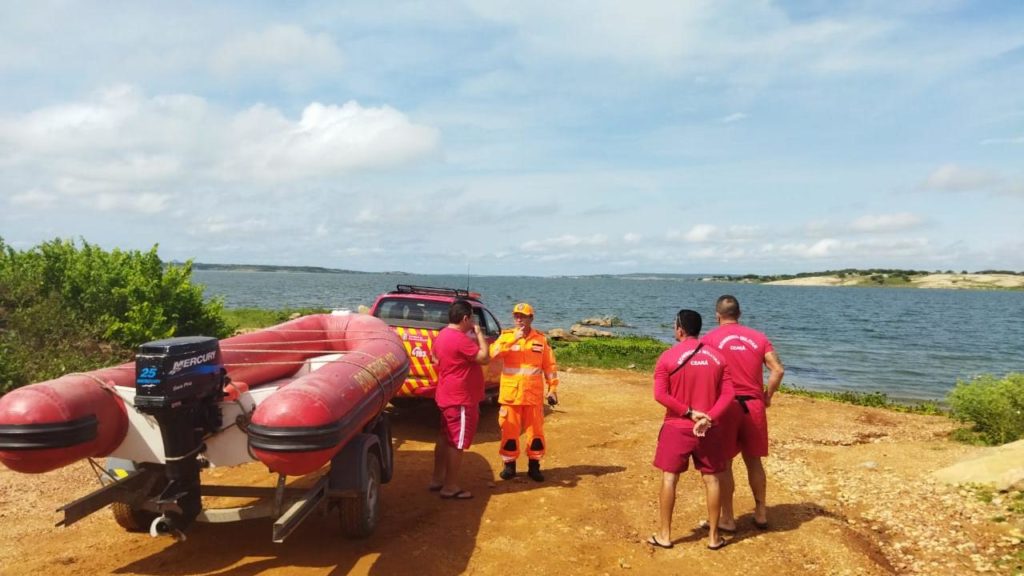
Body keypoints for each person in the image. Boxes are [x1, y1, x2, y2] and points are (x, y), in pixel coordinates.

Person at [649, 309, 735, 551]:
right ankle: (714, 537)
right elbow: (729, 394)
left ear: (680, 329)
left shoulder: (667, 357)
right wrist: (709, 418)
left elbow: (660, 395)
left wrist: (688, 412)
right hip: (709, 428)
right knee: (712, 480)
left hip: (677, 426)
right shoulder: (718, 358)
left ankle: (665, 535)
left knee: (669, 478)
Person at [702, 294, 785, 530]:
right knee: (754, 461)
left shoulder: (709, 339)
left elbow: (706, 372)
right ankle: (760, 512)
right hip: (754, 405)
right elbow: (777, 370)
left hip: (726, 407)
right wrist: (767, 396)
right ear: (739, 314)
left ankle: (727, 517)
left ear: (717, 315)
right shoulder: (758, 338)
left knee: (725, 463)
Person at [489, 302, 559, 482]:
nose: (519, 319)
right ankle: (509, 466)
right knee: (509, 433)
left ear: (531, 318)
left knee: (535, 434)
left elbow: (549, 366)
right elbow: (494, 354)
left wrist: (552, 389)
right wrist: (514, 339)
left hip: (532, 397)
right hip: (510, 397)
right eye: (516, 316)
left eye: (523, 316)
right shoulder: (506, 337)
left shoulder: (541, 340)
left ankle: (534, 467)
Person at [429, 299, 490, 500]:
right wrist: (480, 335)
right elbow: (484, 358)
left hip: (446, 395)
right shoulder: (459, 338)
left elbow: (434, 359)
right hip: (460, 399)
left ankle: (437, 478)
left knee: (444, 437)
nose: (472, 321)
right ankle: (450, 486)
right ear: (465, 318)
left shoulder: (442, 335)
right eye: (471, 317)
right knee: (457, 442)